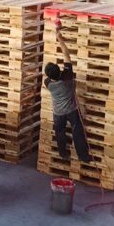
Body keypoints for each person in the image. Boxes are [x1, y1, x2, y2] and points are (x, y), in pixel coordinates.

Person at [44, 23, 91, 163]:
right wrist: (59, 38)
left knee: (60, 132)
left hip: (58, 112)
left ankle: (63, 153)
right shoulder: (68, 76)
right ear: (59, 70)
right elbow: (66, 54)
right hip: (71, 110)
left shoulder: (48, 83)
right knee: (78, 132)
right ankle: (83, 156)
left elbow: (50, 76)